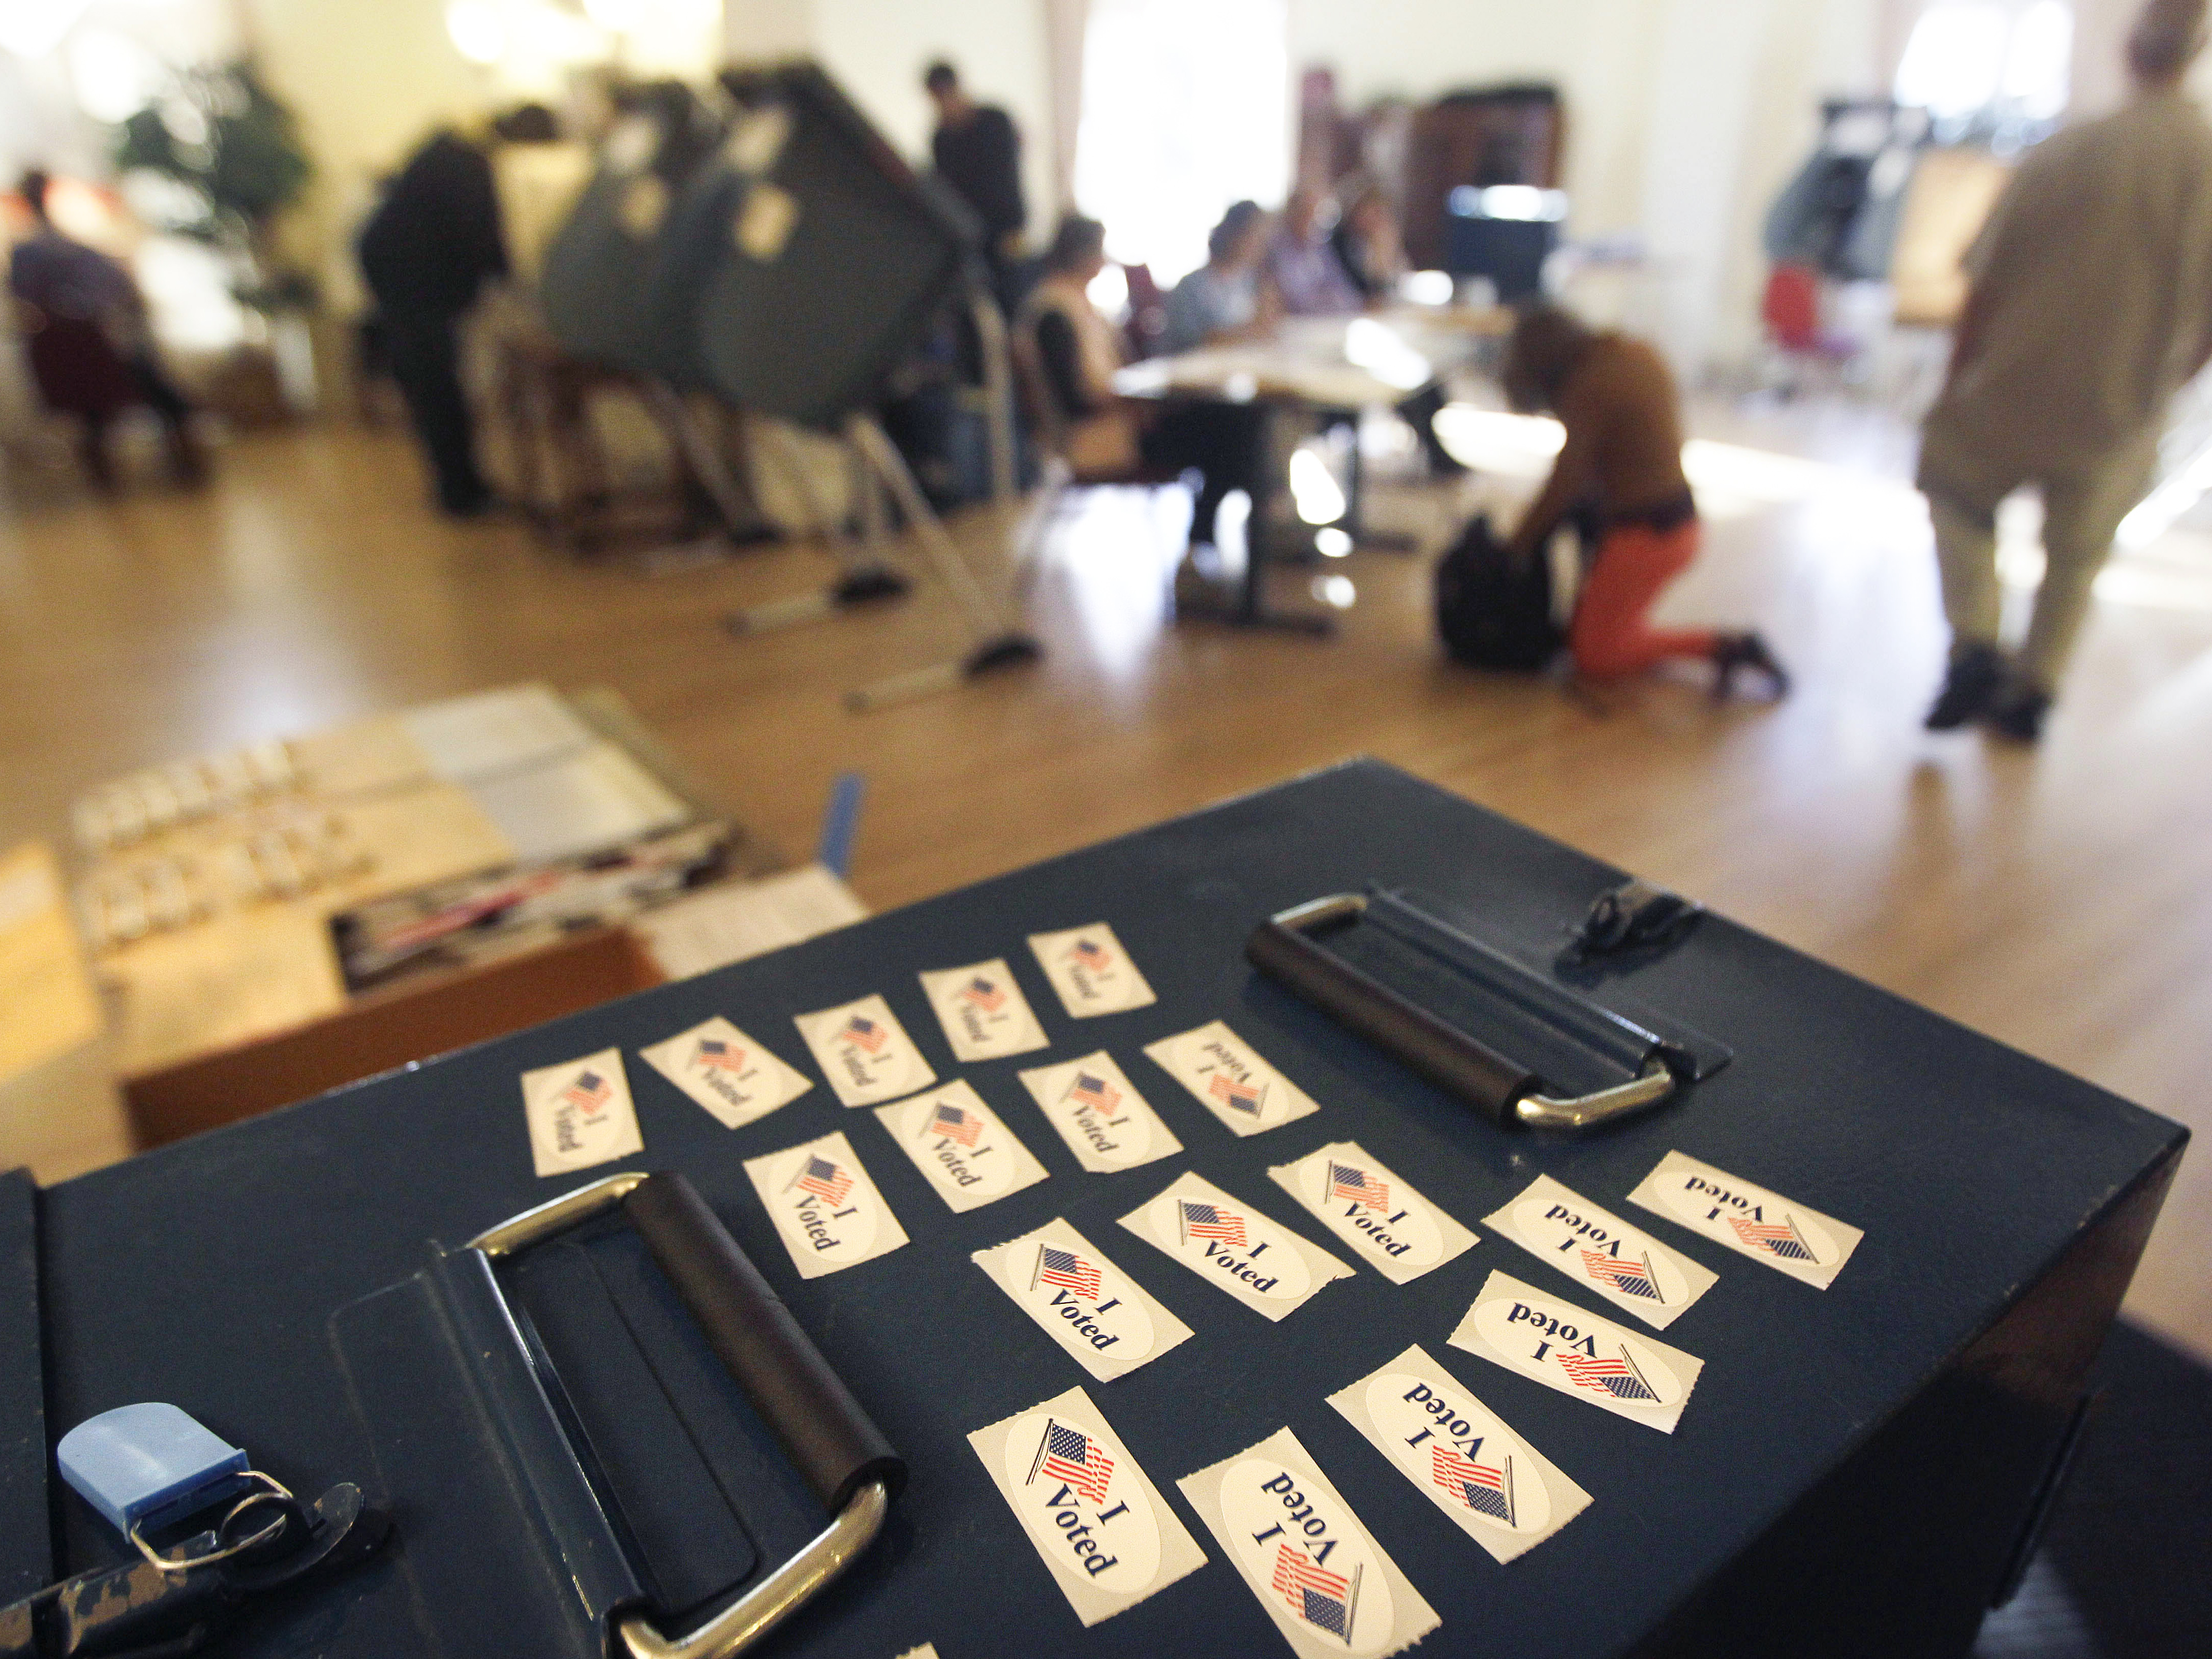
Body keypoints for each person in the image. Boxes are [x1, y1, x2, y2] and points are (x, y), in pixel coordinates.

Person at [1918, 0, 2212, 742]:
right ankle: (2033, 687)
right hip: (2124, 401)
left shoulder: (2069, 149)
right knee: (2076, 557)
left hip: (2012, 383)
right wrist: (2171, 385)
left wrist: (1956, 380)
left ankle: (1976, 640)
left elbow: (1982, 283)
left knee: (1954, 487)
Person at [1502, 304, 1787, 695]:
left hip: (1645, 535)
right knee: (1602, 632)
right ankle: (1707, 644)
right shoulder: (1633, 352)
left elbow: (1565, 483)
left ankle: (1722, 647)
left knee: (1593, 654)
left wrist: (1515, 547)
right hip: (1679, 522)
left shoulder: (1591, 385)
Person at [1017, 214, 1265, 561]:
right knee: (1231, 434)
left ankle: (1207, 538)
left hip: (1122, 421)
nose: (1105, 262)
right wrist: (1138, 400)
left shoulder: (1076, 303)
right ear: (1082, 256)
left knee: (1233, 425)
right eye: (1099, 252)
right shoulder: (1054, 312)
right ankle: (1207, 541)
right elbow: (1077, 400)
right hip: (1100, 439)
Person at [358, 109, 553, 517]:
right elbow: (486, 239)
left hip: (396, 271)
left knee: (431, 385)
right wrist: (525, 287)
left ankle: (458, 485)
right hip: (409, 279)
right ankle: (460, 493)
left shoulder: (455, 151)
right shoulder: (472, 167)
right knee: (435, 385)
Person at [10, 169, 204, 489]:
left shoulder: (37, 252)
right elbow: (115, 288)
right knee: (140, 394)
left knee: (118, 404)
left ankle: (125, 474)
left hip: (90, 350)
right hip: (91, 352)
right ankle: (174, 463)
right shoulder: (44, 251)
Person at [925, 62, 1025, 285]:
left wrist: (1016, 227)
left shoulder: (996, 122)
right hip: (970, 237)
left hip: (1007, 232)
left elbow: (1011, 179)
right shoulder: (942, 139)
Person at [1159, 200, 1276, 355]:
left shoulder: (1249, 283)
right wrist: (1249, 332)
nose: (1259, 245)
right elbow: (1190, 342)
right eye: (1253, 235)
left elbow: (1266, 327)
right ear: (1234, 234)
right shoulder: (1191, 287)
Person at [1264, 185, 1365, 317]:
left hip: (1329, 321)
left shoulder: (1321, 247)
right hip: (1297, 324)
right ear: (1292, 214)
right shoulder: (1277, 251)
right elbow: (1294, 298)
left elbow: (1342, 287)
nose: (1310, 219)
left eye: (1314, 214)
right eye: (1304, 213)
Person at [1331, 176, 1406, 302]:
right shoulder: (1338, 245)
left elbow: (1399, 289)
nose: (1379, 219)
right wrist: (1380, 263)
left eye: (1382, 212)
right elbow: (1371, 298)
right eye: (1374, 211)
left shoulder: (1382, 240)